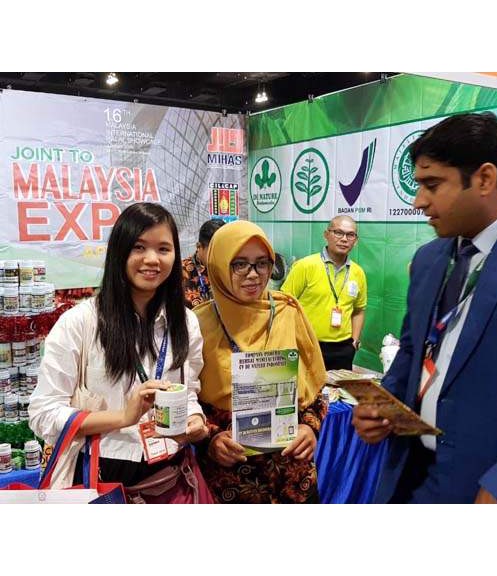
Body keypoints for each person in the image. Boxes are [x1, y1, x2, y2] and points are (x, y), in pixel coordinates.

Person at [353, 112, 497, 504]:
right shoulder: (429, 260)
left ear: (485, 179)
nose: (418, 201)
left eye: (432, 185)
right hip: (411, 477)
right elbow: (413, 351)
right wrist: (383, 405)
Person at [29, 202, 208, 494]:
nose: (152, 259)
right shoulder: (80, 323)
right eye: (139, 247)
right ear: (119, 252)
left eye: (163, 249)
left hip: (169, 477)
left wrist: (194, 418)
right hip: (97, 475)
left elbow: (187, 393)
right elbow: (42, 414)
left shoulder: (186, 323)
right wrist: (123, 417)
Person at [193, 220, 327, 503]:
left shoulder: (288, 312)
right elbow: (186, 398)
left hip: (291, 472)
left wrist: (309, 427)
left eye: (262, 263)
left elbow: (315, 387)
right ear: (219, 265)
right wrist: (210, 439)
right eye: (239, 264)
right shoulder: (198, 323)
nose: (253, 274)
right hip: (231, 474)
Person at [281, 215, 367, 371]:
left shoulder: (358, 272)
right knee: (307, 387)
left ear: (355, 240)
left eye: (350, 235)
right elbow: (284, 304)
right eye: (338, 233)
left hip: (343, 349)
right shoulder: (305, 266)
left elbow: (359, 310)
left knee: (340, 387)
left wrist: (354, 342)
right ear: (326, 234)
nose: (344, 239)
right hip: (308, 345)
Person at [182, 218, 226, 308]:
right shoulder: (180, 271)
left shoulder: (229, 269)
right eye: (214, 252)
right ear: (199, 246)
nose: (220, 257)